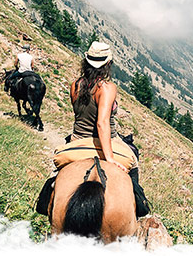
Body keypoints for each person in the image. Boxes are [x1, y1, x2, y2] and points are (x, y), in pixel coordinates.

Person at [35, 41, 149, 218]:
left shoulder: (75, 85)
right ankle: (138, 207)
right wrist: (109, 158)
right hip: (108, 141)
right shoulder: (107, 88)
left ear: (86, 62)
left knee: (59, 172)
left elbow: (80, 114)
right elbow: (102, 123)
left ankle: (47, 198)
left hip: (77, 140)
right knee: (133, 161)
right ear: (107, 64)